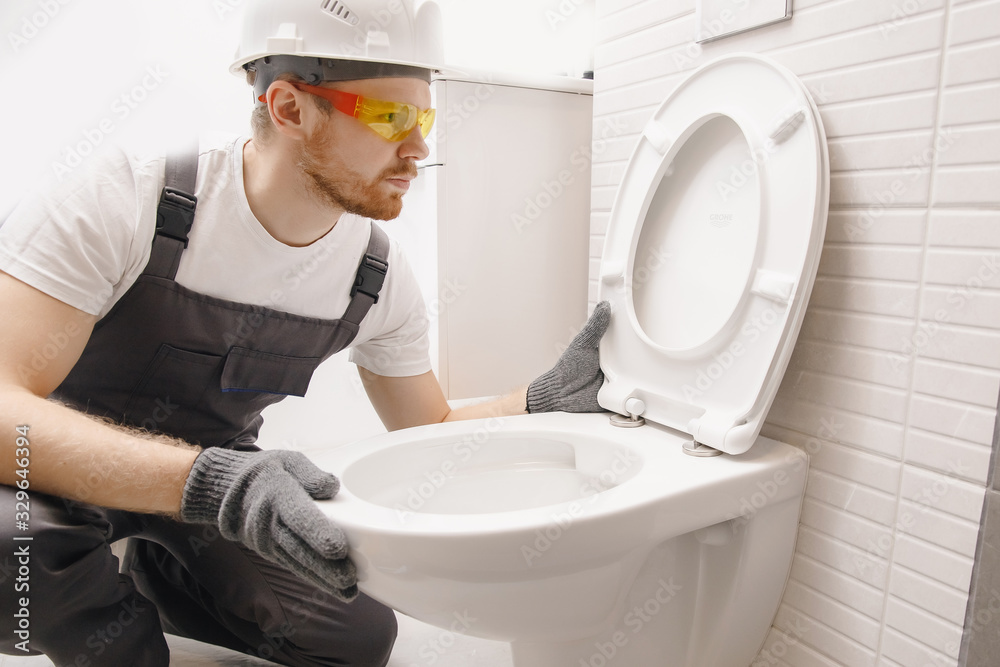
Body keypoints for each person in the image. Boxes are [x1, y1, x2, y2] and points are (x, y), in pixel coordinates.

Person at [0, 1, 609, 665]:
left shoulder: (373, 273)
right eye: (390, 117)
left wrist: (536, 400)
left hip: (221, 489)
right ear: (288, 108)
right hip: (60, 473)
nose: (420, 147)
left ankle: (167, 569)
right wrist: (205, 482)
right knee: (17, 551)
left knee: (354, 637)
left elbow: (426, 424)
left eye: (424, 117)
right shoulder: (130, 196)